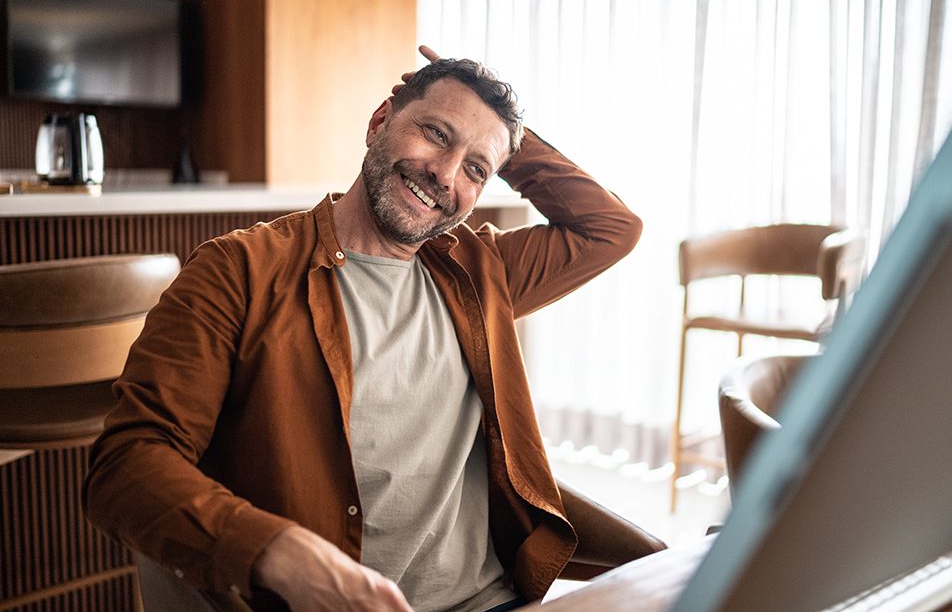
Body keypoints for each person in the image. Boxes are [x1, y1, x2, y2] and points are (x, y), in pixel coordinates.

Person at [83, 47, 656, 612]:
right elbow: (128, 464)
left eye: (476, 169)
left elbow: (611, 228)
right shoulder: (240, 271)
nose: (445, 173)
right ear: (380, 121)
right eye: (435, 133)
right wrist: (278, 552)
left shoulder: (483, 274)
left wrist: (503, 135)